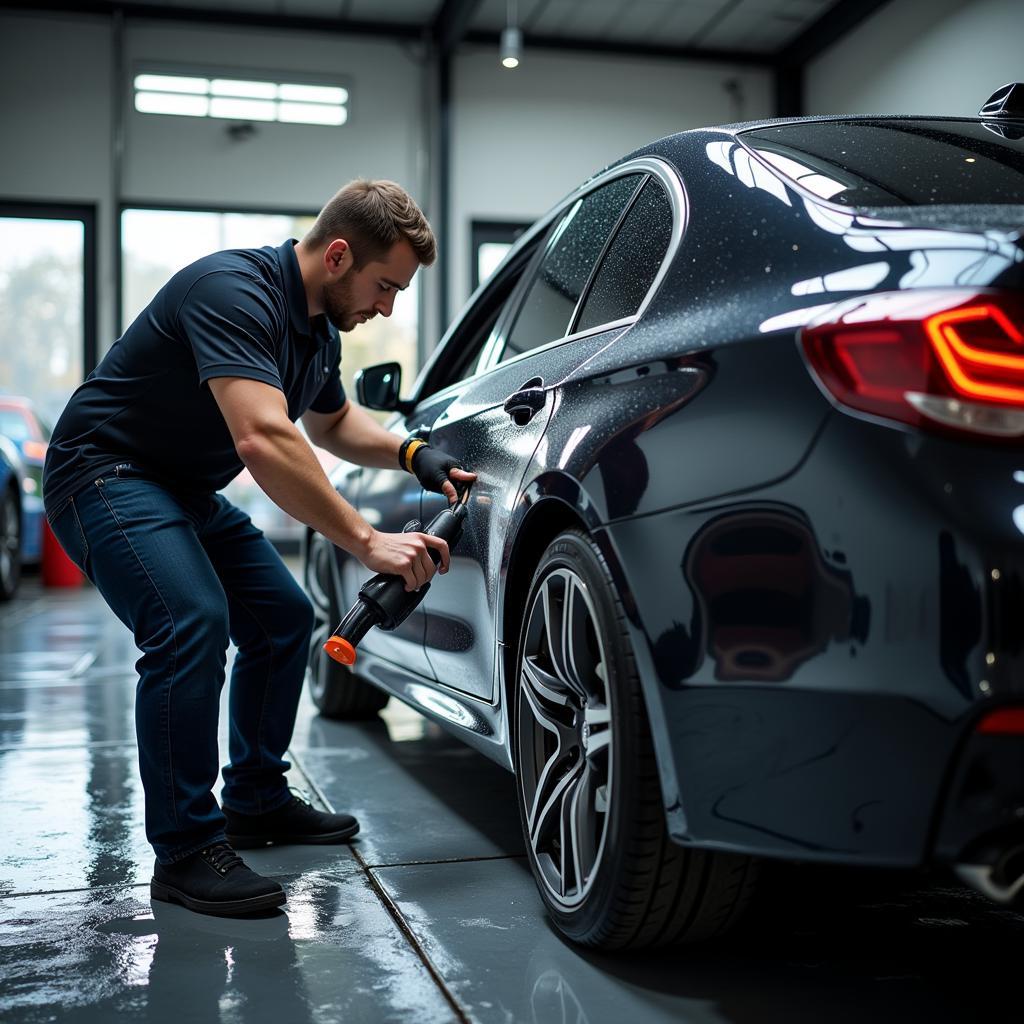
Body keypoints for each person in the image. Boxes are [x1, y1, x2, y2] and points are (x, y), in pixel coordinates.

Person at [42, 179, 475, 916]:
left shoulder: (316, 331)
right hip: (104, 472)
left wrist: (412, 451)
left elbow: (332, 425)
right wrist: (368, 541)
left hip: (180, 488)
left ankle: (256, 798)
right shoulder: (233, 291)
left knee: (279, 615)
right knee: (189, 621)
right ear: (338, 255)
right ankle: (183, 852)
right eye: (385, 285)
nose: (388, 307)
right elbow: (264, 437)